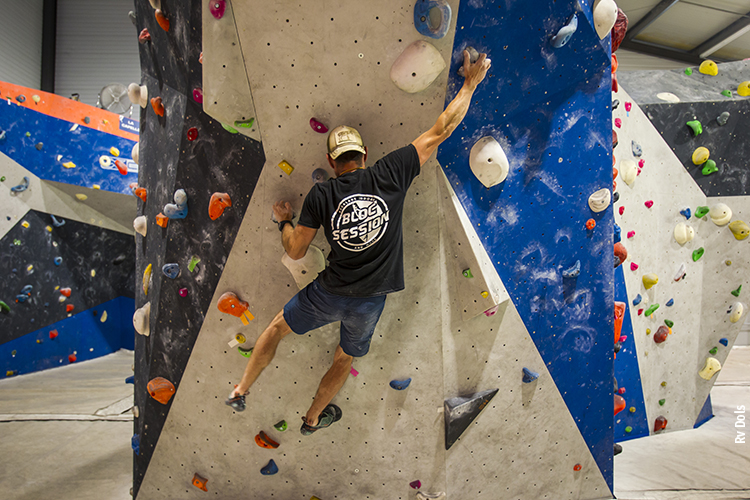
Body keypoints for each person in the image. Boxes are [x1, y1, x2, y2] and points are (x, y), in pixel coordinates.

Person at [226, 49, 491, 435]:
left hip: (331, 292)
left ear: (332, 163)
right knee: (343, 357)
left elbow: (296, 250)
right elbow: (441, 129)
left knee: (276, 328)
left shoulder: (321, 195)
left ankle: (240, 390)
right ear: (365, 155)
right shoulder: (391, 171)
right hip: (370, 299)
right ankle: (312, 419)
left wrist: (283, 221)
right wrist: (469, 83)